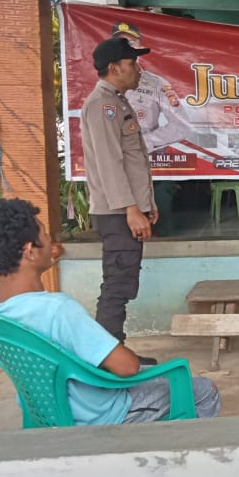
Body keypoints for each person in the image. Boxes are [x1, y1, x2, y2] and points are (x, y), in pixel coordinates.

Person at [0, 199, 221, 424]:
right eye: (46, 235)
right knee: (202, 390)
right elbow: (127, 367)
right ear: (30, 251)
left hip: (47, 410)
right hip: (103, 413)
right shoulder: (58, 310)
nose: (52, 241)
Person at [81, 35, 158, 363]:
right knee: (117, 286)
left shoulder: (116, 102)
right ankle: (108, 361)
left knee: (122, 283)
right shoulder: (103, 105)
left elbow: (132, 160)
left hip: (126, 210)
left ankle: (114, 355)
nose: (138, 69)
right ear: (114, 67)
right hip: (117, 213)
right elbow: (109, 163)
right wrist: (130, 209)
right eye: (132, 63)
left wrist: (145, 204)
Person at [111, 22, 197, 151]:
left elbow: (182, 126)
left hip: (142, 158)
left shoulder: (156, 84)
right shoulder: (95, 82)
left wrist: (145, 141)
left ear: (140, 48)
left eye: (132, 43)